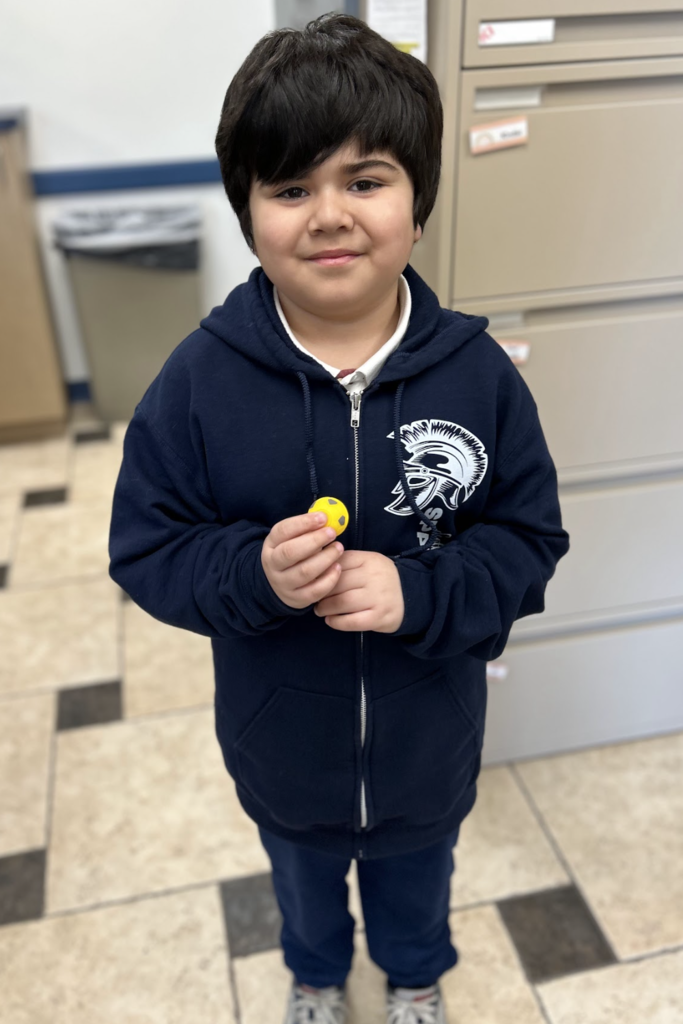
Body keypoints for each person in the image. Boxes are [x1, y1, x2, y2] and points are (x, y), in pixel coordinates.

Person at [108, 13, 570, 1024]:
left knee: (415, 885)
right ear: (246, 212)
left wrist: (418, 590)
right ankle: (314, 977)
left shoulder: (477, 377)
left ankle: (414, 976)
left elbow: (527, 542)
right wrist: (252, 575)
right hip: (283, 751)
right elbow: (147, 546)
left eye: (363, 180)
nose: (328, 215)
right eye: (288, 188)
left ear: (417, 205)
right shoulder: (197, 382)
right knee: (304, 892)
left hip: (425, 746)